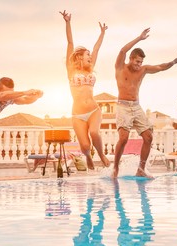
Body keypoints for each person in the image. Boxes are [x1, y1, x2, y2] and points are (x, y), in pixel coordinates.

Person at [112, 27, 177, 178]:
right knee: (123, 138)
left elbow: (160, 67)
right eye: (137, 61)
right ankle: (115, 168)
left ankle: (141, 169)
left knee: (148, 137)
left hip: (136, 107)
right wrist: (139, 37)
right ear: (131, 59)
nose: (139, 64)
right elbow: (122, 51)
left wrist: (174, 62)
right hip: (123, 106)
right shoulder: (120, 66)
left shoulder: (143, 70)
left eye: (141, 62)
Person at [59, 10, 110, 170]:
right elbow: (70, 44)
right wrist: (67, 23)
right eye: (87, 54)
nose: (90, 56)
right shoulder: (71, 71)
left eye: (90, 54)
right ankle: (88, 156)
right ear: (80, 57)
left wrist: (102, 33)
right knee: (85, 145)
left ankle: (101, 156)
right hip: (78, 115)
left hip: (94, 110)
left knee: (95, 133)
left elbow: (96, 49)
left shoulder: (90, 69)